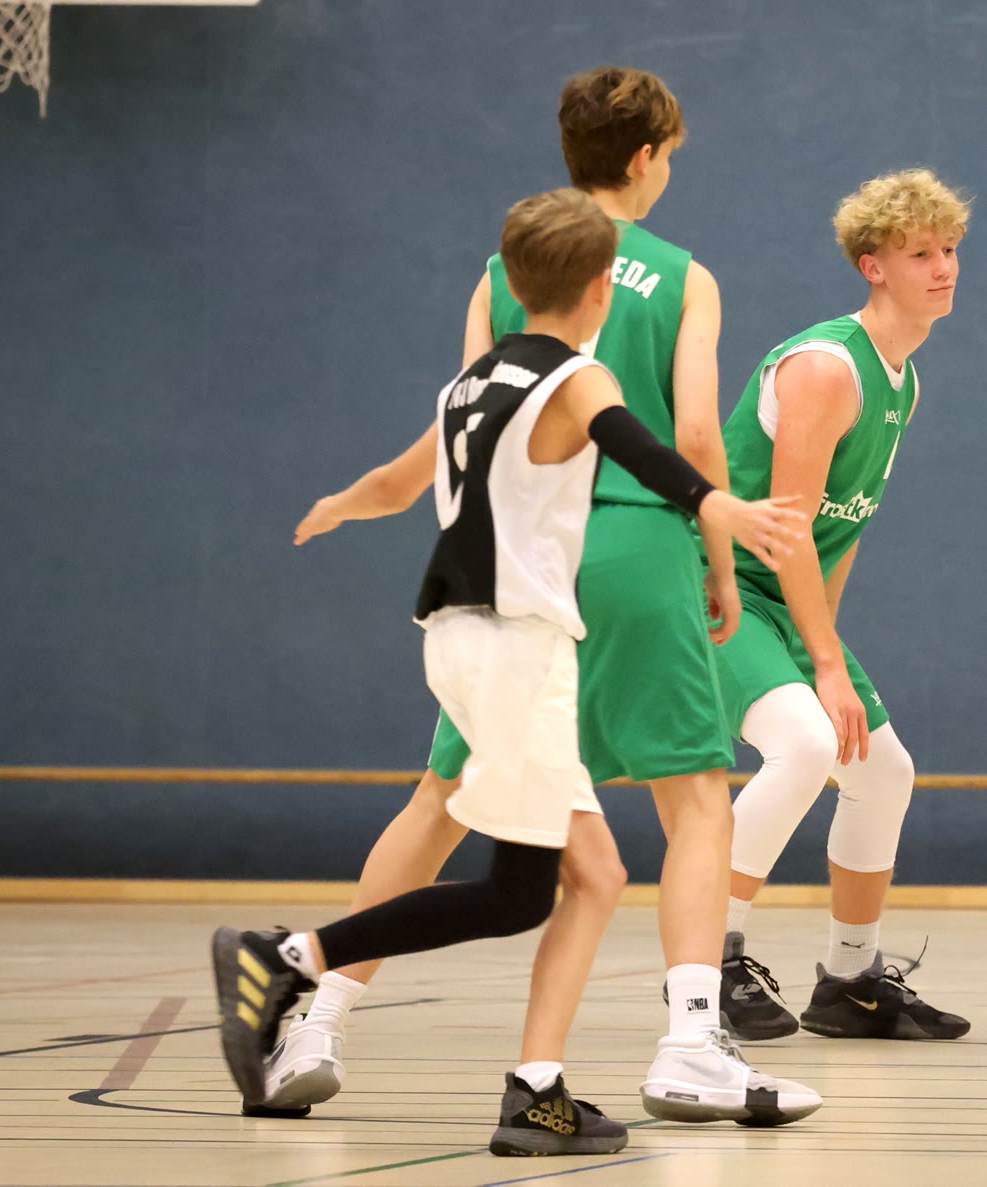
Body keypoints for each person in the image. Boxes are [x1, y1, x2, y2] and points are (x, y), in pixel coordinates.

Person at [212, 189, 815, 1154]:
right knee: (518, 893)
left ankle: (537, 1089)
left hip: (458, 640)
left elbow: (397, 484)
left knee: (594, 875)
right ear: (600, 289)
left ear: (511, 286)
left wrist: (338, 504)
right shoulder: (579, 377)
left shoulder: (472, 383)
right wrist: (721, 510)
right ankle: (288, 956)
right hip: (517, 651)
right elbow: (643, 452)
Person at [712, 170, 972, 1043]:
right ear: (873, 266)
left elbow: (841, 528)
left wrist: (824, 640)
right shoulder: (827, 368)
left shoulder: (904, 380)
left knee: (882, 769)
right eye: (920, 253)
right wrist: (822, 663)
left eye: (949, 249)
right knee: (806, 743)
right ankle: (709, 956)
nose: (944, 267)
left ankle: (850, 981)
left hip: (784, 595)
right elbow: (788, 525)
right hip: (715, 584)